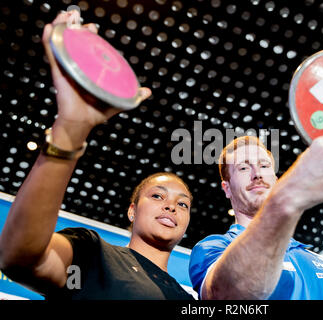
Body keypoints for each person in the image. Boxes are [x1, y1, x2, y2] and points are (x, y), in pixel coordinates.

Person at [0, 10, 193, 300]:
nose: (171, 207)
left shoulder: (190, 301)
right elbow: (21, 257)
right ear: (131, 210)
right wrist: (70, 128)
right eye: (157, 196)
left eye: (183, 204)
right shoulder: (92, 255)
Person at [189, 129, 323, 300]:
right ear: (227, 188)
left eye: (264, 166)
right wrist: (290, 194)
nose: (257, 174)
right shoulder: (213, 248)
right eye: (244, 168)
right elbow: (226, 296)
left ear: (276, 179)